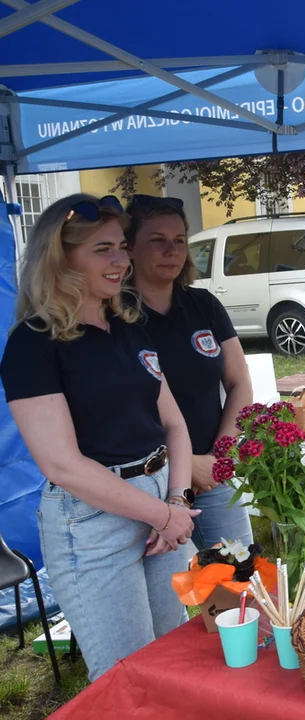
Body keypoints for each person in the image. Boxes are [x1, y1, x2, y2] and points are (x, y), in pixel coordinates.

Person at [0, 194, 199, 681]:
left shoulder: (127, 327)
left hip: (159, 501)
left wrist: (175, 497)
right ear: (61, 258)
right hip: (91, 521)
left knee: (174, 657)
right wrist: (165, 514)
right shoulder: (34, 342)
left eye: (122, 247)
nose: (121, 260)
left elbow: (172, 423)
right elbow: (61, 465)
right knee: (127, 677)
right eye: (103, 249)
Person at [125, 194, 254, 551]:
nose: (171, 250)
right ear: (130, 247)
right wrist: (186, 465)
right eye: (157, 241)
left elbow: (240, 382)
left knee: (237, 576)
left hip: (215, 474)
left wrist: (220, 457)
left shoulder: (203, 305)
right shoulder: (116, 316)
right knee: (176, 594)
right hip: (150, 481)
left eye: (179, 240)